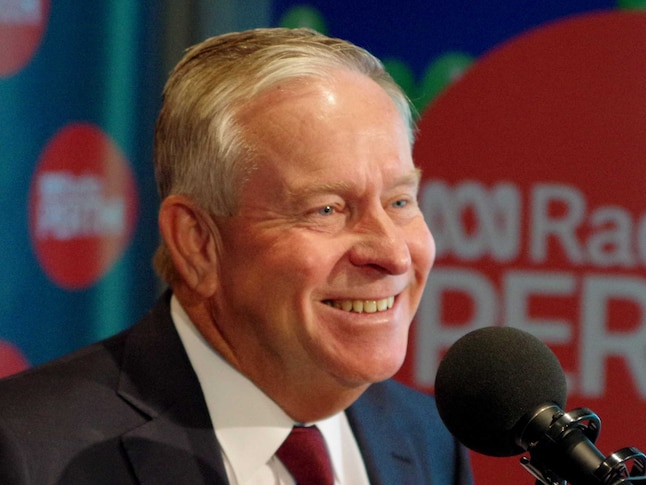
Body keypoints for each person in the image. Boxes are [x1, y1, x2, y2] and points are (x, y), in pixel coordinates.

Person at [0, 28, 473, 485]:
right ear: (196, 242)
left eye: (399, 202)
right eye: (326, 209)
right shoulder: (28, 451)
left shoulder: (429, 439)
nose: (391, 253)